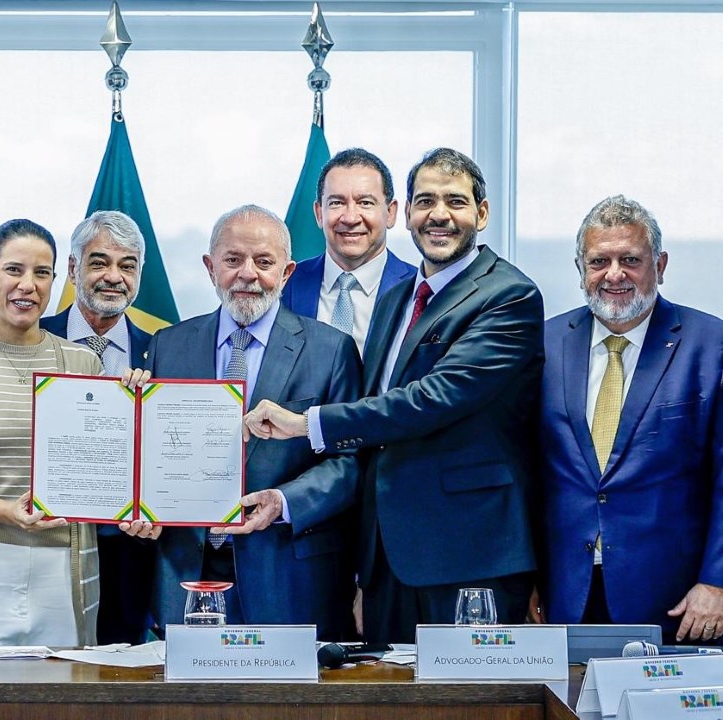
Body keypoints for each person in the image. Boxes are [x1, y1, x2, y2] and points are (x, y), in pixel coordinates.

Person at [244, 148, 543, 645]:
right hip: (387, 556)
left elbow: (433, 399)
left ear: (482, 214)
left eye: (456, 202)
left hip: (468, 552)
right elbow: (373, 424)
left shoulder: (509, 295)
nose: (439, 215)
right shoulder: (397, 299)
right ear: (407, 214)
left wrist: (306, 423)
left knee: (471, 709)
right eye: (425, 201)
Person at [0, 219, 154, 648]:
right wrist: (8, 512)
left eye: (42, 273)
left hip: (65, 570)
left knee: (61, 701)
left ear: (57, 279)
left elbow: (104, 471)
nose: (28, 285)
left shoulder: (83, 365)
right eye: (14, 270)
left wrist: (138, 413)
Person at [145, 205, 363, 638]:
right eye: (233, 260)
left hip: (287, 576)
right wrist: (141, 506)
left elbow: (350, 462)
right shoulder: (168, 346)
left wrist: (283, 502)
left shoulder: (330, 349)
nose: (248, 274)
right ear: (210, 268)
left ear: (286, 272)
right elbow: (150, 453)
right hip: (186, 574)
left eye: (264, 262)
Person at [533, 195, 723, 644]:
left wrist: (718, 581)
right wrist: (524, 579)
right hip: (565, 593)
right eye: (599, 260)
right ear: (580, 268)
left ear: (660, 263)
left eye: (630, 259)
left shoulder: (710, 345)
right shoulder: (545, 343)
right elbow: (526, 470)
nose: (614, 274)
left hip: (677, 600)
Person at [40, 210, 156, 645]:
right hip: (44, 545)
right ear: (73, 269)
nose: (114, 276)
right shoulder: (31, 338)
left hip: (130, 553)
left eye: (128, 266)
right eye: (99, 262)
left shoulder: (163, 353)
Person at [281, 148, 415, 355]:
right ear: (318, 213)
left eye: (365, 203)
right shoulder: (284, 284)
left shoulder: (419, 289)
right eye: (337, 203)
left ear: (391, 212)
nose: (350, 218)